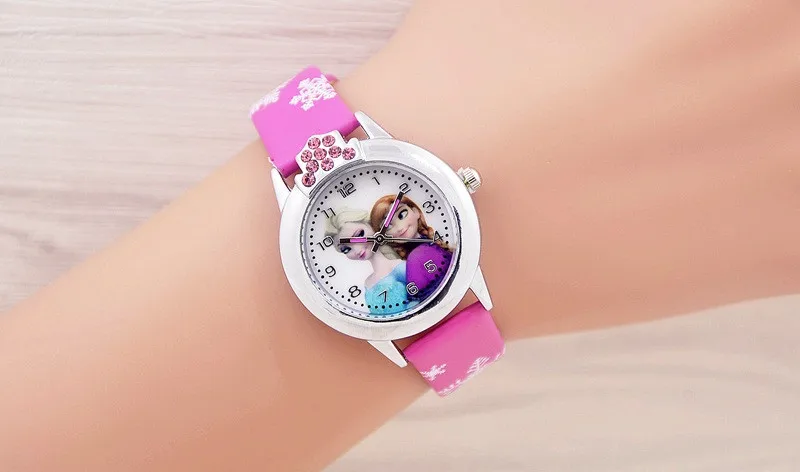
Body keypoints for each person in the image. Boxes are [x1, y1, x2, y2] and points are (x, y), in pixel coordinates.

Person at [0, 1, 797, 471]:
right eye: (394, 218)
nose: (400, 222)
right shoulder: (355, 219)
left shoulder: (409, 237)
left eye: (404, 215)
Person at [324, 208, 414, 315]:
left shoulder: (399, 267)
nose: (357, 250)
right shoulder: (368, 283)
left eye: (359, 235)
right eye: (346, 249)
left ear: (371, 225)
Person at [370, 194, 453, 300]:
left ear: (415, 211)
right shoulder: (415, 257)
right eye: (388, 226)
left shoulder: (424, 249)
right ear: (384, 237)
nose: (399, 228)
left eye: (402, 215)